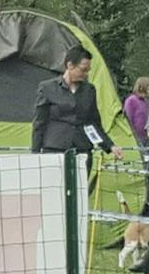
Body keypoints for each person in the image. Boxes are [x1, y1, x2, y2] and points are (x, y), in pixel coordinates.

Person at [31, 45, 123, 176]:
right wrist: (35, 153)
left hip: (82, 150)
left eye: (88, 71)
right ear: (70, 65)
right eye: (83, 70)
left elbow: (93, 123)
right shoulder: (47, 88)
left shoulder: (89, 90)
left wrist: (110, 146)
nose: (86, 74)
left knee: (80, 192)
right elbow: (39, 122)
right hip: (54, 149)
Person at [123, 76, 149, 147]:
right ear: (141, 88)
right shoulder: (131, 100)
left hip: (145, 136)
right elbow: (128, 119)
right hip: (136, 137)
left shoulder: (146, 101)